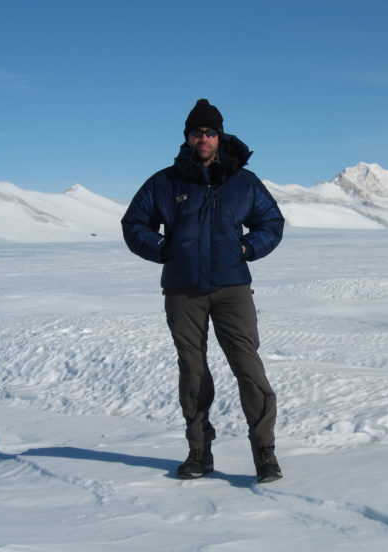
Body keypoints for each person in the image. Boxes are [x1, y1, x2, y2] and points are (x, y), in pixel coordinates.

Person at [121, 99, 285, 483]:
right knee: (192, 370)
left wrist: (247, 248)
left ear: (220, 136)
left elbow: (272, 221)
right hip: (183, 289)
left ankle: (264, 451)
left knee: (248, 368)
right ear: (187, 137)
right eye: (197, 132)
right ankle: (199, 449)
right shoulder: (165, 182)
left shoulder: (243, 182)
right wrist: (163, 249)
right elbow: (134, 223)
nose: (204, 138)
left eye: (210, 132)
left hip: (232, 288)